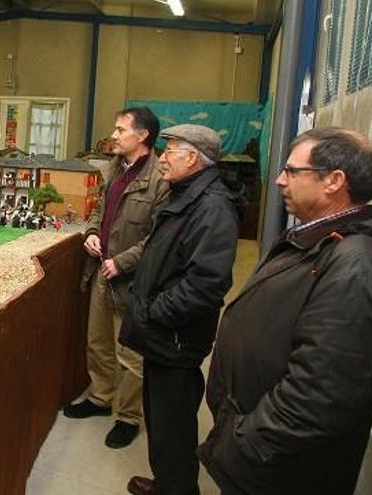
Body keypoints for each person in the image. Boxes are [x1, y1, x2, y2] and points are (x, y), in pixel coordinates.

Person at [198, 128, 372, 495]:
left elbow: (321, 395)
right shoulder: (321, 239)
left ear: (334, 181)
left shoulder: (357, 265)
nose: (279, 180)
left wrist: (242, 444)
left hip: (276, 468)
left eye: (292, 171)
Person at [118, 124, 241, 495]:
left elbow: (206, 284)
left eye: (170, 150)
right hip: (164, 336)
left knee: (173, 423)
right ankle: (169, 483)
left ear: (192, 158)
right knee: (163, 421)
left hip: (174, 337)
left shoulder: (212, 207)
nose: (163, 157)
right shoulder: (188, 195)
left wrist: (154, 312)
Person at [63, 107, 169, 451]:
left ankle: (127, 417)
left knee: (131, 354)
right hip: (100, 271)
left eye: (121, 129)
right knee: (98, 341)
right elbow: (99, 210)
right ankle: (100, 397)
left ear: (142, 136)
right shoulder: (113, 169)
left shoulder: (160, 180)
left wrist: (122, 263)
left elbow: (158, 236)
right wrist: (92, 232)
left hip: (132, 280)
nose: (114, 134)